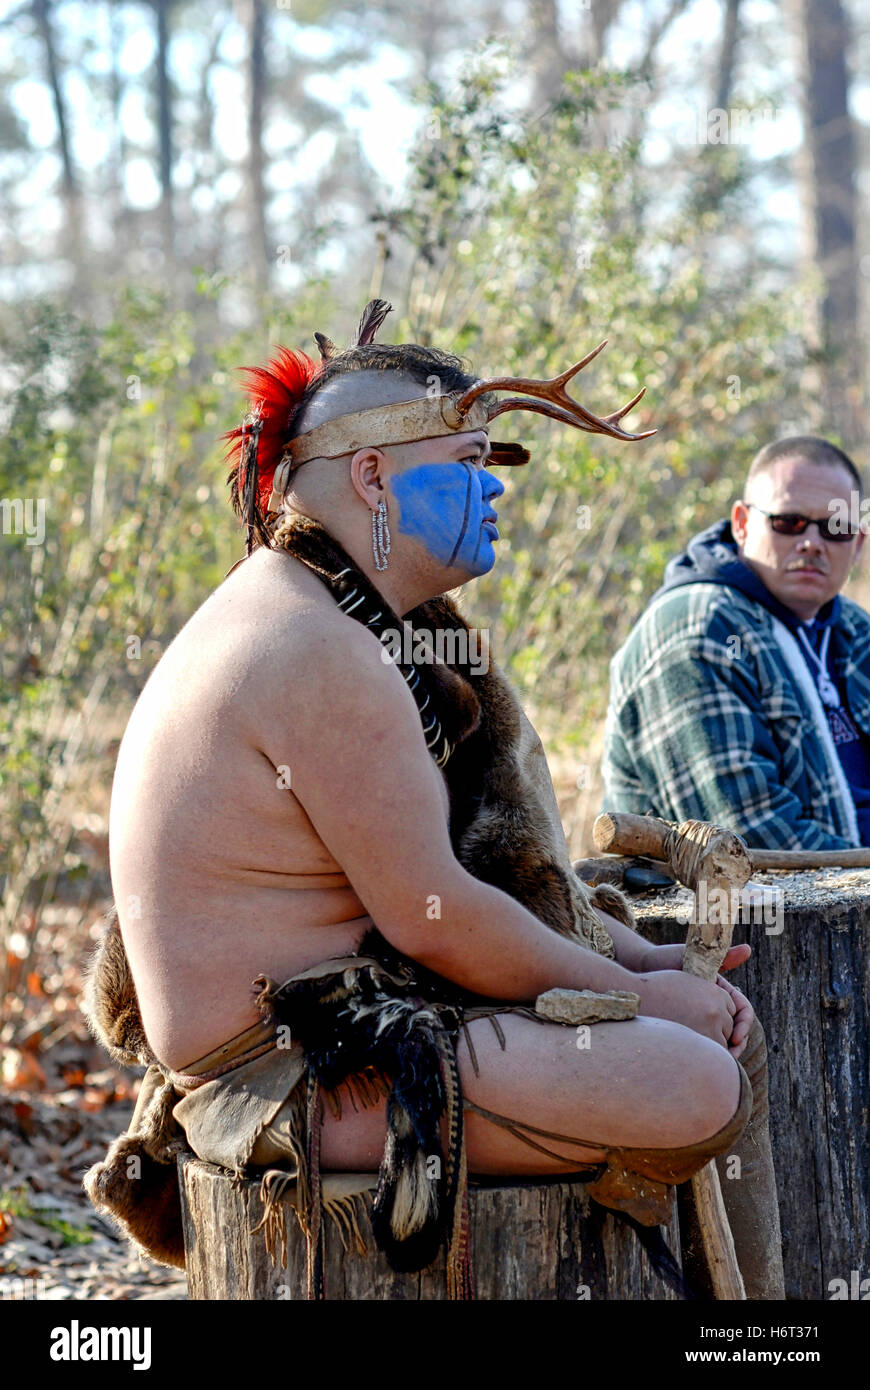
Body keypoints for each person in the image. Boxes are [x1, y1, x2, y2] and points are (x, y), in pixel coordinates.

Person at [84, 302, 782, 1299]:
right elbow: (434, 917)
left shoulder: (319, 615)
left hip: (328, 1041)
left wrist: (641, 960)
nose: (494, 488)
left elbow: (455, 890)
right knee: (699, 1078)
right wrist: (641, 1001)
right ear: (371, 476)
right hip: (287, 1083)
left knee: (710, 1041)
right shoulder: (321, 651)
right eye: (467, 460)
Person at [603, 436, 870, 850]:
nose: (812, 543)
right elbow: (750, 842)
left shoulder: (854, 629)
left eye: (836, 527)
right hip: (730, 911)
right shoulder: (698, 629)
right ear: (742, 525)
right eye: (789, 521)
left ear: (857, 544)